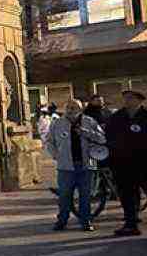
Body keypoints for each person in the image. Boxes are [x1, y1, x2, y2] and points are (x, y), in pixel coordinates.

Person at [103, 89, 147, 240]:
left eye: (130, 98)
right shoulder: (116, 118)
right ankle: (131, 224)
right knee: (128, 196)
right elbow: (107, 138)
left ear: (140, 100)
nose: (126, 101)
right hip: (123, 163)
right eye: (125, 98)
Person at [42, 99, 104, 231]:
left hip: (89, 163)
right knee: (64, 195)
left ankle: (86, 220)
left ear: (80, 109)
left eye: (74, 107)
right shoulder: (57, 123)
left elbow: (102, 138)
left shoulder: (89, 121)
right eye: (68, 107)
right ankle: (62, 220)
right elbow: (49, 141)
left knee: (86, 195)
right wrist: (56, 156)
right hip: (66, 165)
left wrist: (85, 132)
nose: (71, 110)